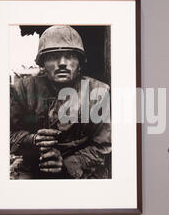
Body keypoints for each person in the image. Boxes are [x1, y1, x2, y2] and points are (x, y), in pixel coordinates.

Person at [10, 25, 111, 180]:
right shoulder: (22, 90)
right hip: (34, 166)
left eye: (70, 56)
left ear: (80, 62)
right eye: (53, 56)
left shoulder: (98, 92)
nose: (62, 63)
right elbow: (5, 135)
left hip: (83, 169)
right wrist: (32, 140)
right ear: (42, 63)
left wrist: (67, 164)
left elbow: (103, 146)